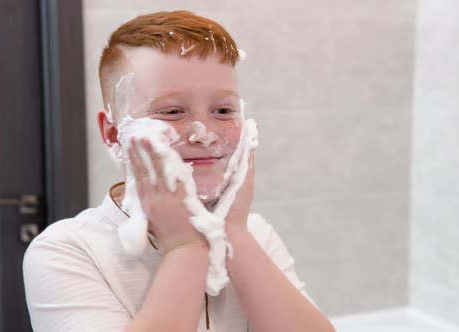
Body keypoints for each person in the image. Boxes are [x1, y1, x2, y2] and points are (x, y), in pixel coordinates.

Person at [23, 10, 335, 332]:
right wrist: (185, 249)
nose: (205, 133)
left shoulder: (255, 233)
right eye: (171, 111)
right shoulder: (66, 250)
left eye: (223, 110)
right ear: (113, 133)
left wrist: (234, 236)